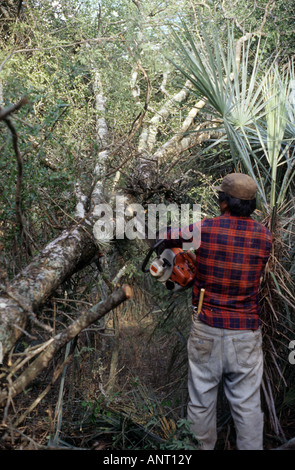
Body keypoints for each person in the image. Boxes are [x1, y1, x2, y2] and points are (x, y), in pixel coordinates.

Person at [165, 173, 272, 450]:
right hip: (246, 332)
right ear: (251, 205)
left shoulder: (205, 229)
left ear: (224, 203)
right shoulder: (264, 236)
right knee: (248, 408)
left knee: (201, 404)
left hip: (207, 328)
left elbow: (168, 238)